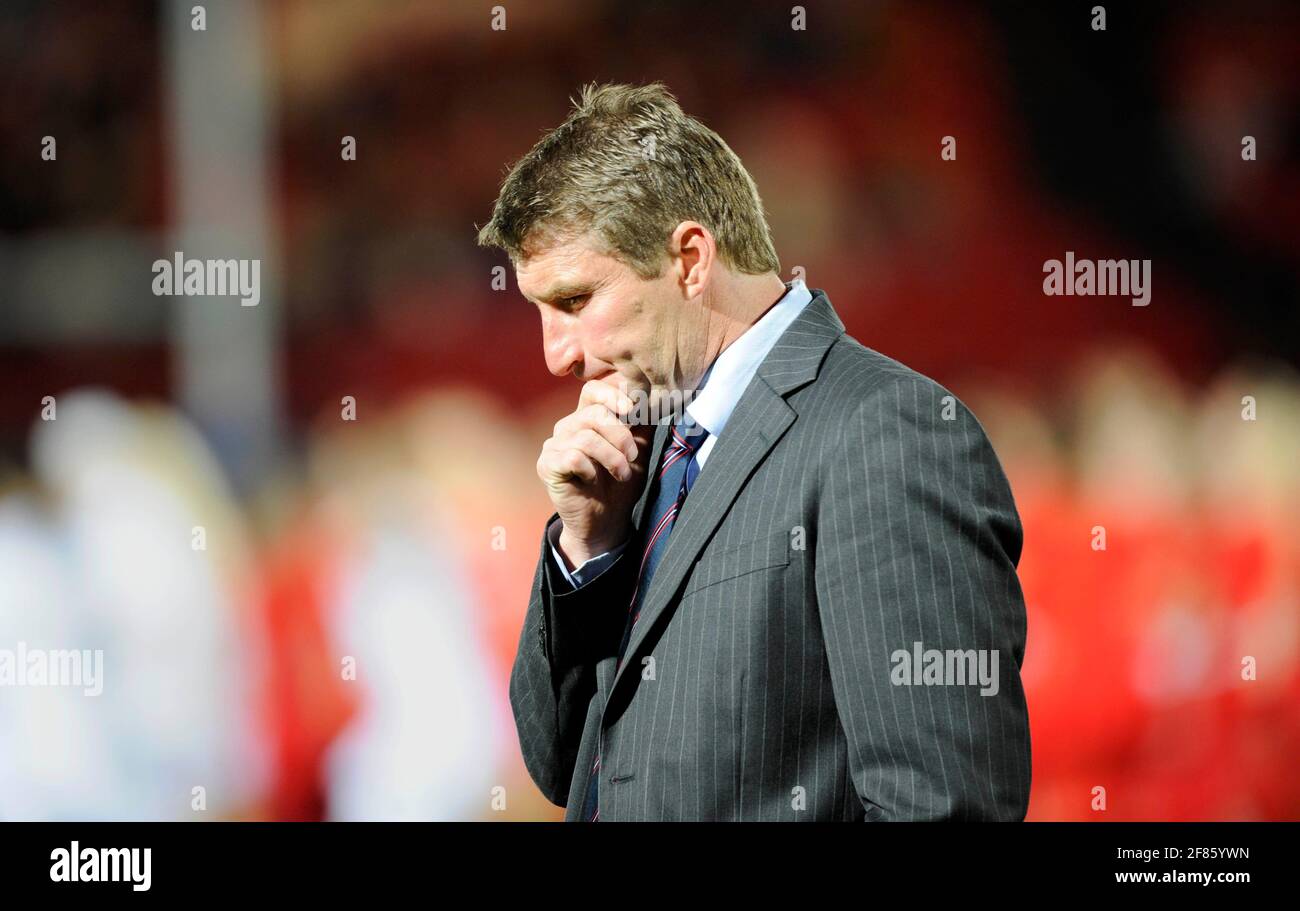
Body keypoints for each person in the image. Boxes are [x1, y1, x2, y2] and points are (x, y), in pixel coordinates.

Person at [477, 82, 1031, 821]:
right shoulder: (642, 454)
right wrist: (591, 548)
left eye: (575, 301)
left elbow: (945, 805)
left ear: (692, 259)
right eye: (540, 311)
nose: (556, 357)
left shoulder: (886, 432)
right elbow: (563, 768)